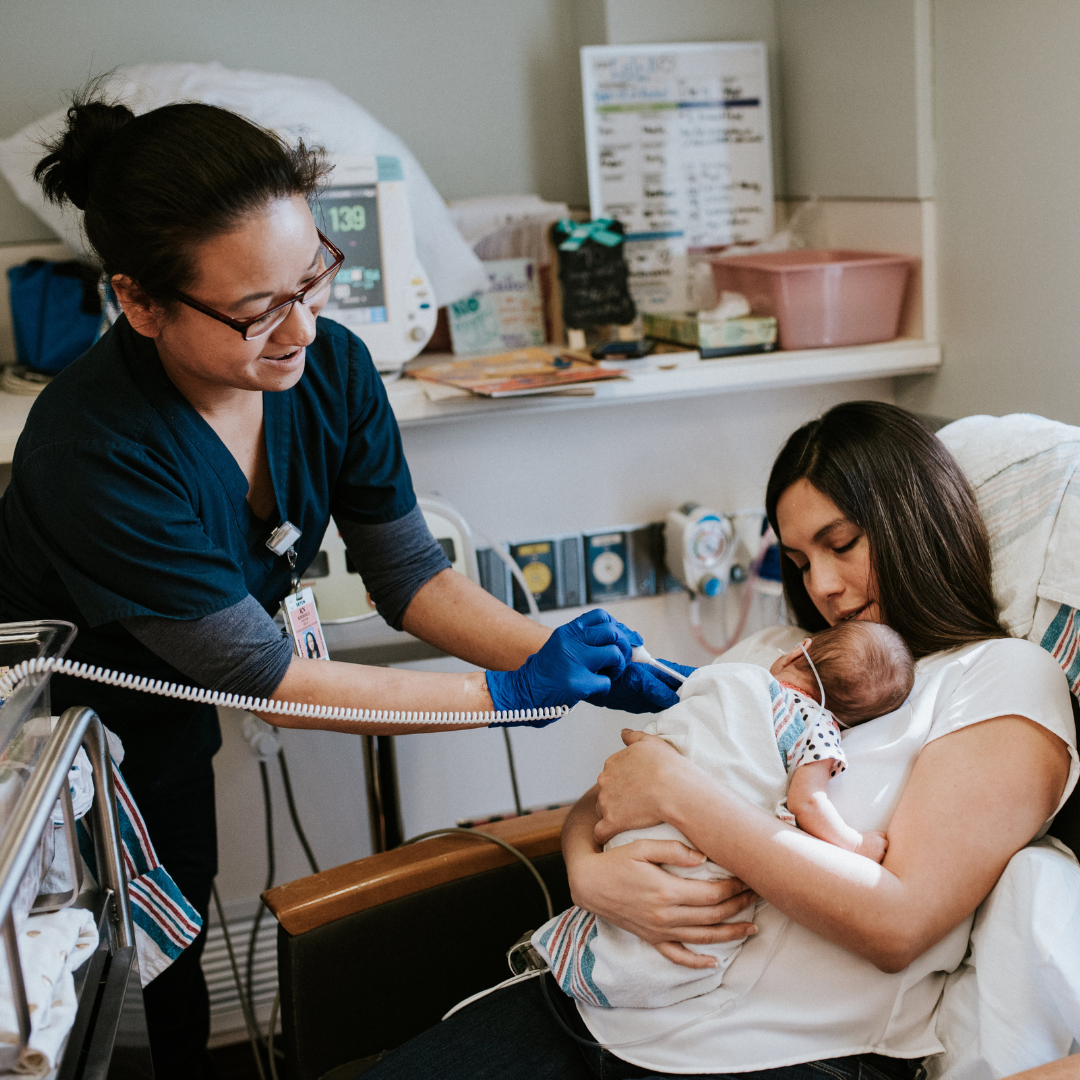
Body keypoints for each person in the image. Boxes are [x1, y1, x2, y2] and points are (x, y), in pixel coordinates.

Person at [0, 91, 679, 1080]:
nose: (303, 330)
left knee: (173, 932)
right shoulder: (92, 451)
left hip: (170, 712)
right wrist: (503, 695)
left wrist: (556, 653)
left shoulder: (330, 371)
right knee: (92, 988)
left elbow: (410, 575)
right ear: (139, 302)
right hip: (47, 727)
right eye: (256, 311)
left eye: (312, 278)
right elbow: (267, 678)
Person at [363, 401, 1077, 1080]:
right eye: (799, 561)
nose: (823, 586)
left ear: (918, 522)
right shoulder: (778, 654)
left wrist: (683, 796)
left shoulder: (1000, 680)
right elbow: (625, 785)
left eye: (842, 545)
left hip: (772, 1056)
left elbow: (899, 924)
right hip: (591, 1009)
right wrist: (587, 869)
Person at [532, 620, 914, 1011]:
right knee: (691, 943)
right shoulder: (817, 726)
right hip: (693, 855)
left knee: (628, 904)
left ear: (799, 653)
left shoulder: (735, 676)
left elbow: (681, 701)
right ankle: (590, 969)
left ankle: (559, 952)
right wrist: (856, 844)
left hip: (625, 828)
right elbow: (808, 803)